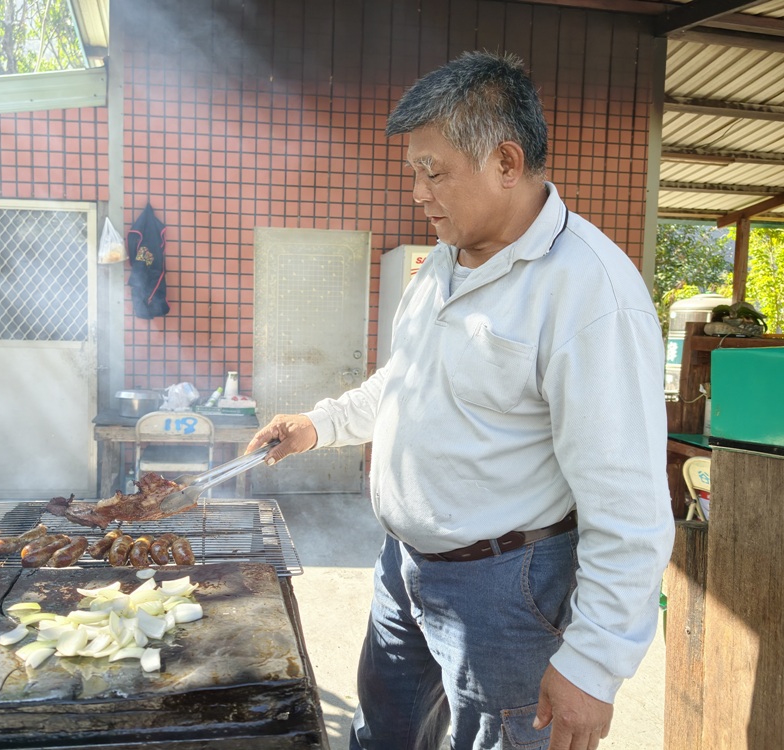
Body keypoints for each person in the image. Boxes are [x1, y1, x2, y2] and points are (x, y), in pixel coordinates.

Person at [246, 51, 675, 750]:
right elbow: (406, 383)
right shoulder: (442, 263)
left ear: (506, 162)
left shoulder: (589, 294)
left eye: (433, 170)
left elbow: (628, 503)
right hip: (404, 569)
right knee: (383, 735)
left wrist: (594, 664)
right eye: (413, 171)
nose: (418, 192)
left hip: (505, 590)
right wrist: (318, 425)